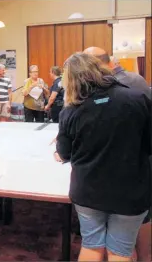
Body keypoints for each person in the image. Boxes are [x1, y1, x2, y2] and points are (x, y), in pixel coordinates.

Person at [55, 53, 151, 262]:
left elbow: (64, 153)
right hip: (130, 191)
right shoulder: (137, 99)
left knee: (91, 246)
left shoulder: (71, 111)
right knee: (121, 251)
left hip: (87, 189)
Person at [84, 47, 151, 262]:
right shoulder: (136, 81)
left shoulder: (123, 85)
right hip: (132, 166)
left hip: (120, 165)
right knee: (134, 223)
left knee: (113, 241)